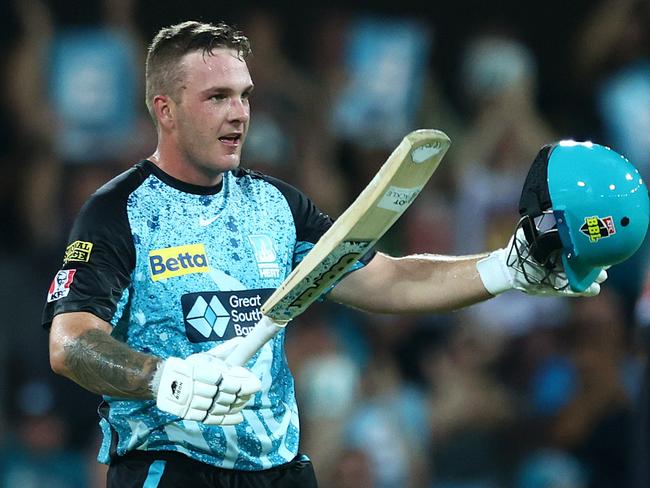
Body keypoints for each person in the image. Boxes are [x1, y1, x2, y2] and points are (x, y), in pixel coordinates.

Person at [43, 20, 630, 488]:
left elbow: (388, 281)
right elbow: (69, 342)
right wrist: (162, 377)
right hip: (168, 471)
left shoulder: (277, 204)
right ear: (164, 110)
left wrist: (506, 269)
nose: (239, 113)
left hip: (282, 471)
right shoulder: (116, 211)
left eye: (245, 96)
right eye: (217, 96)